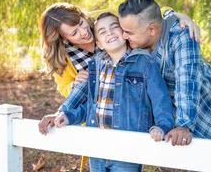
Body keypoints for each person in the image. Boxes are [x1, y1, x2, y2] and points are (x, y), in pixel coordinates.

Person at [38, 2, 200, 170]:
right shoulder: (70, 60)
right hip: (99, 142)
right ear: (64, 38)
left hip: (128, 142)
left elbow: (144, 14)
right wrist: (65, 112)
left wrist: (178, 17)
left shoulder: (142, 60)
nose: (84, 32)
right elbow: (89, 100)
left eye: (81, 23)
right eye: (74, 33)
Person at [53, 12, 174, 172]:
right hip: (97, 149)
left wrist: (162, 126)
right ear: (99, 44)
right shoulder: (96, 66)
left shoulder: (145, 62)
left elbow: (160, 99)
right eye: (102, 32)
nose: (109, 32)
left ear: (125, 33)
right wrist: (69, 116)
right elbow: (92, 106)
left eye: (114, 27)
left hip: (127, 148)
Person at [118, 0, 211, 146]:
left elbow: (187, 81)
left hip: (204, 99)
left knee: (200, 150)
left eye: (129, 33)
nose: (123, 36)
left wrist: (184, 125)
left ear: (151, 29)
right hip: (170, 95)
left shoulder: (182, 35)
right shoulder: (139, 34)